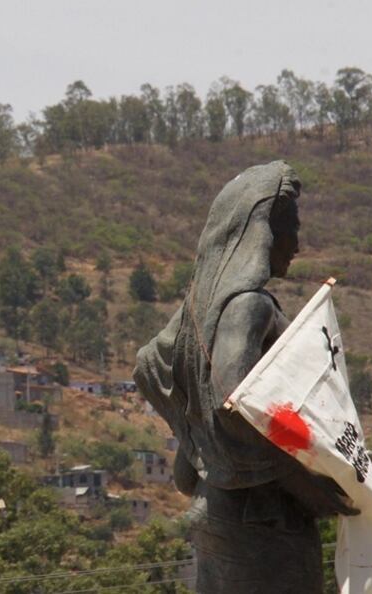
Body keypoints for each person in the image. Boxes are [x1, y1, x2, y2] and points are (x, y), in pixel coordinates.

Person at [134, 161, 357, 593]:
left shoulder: (194, 315)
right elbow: (231, 404)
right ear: (263, 231)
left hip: (217, 507)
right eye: (290, 226)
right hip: (261, 517)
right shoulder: (247, 305)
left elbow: (151, 363)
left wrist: (195, 443)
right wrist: (305, 483)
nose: (296, 242)